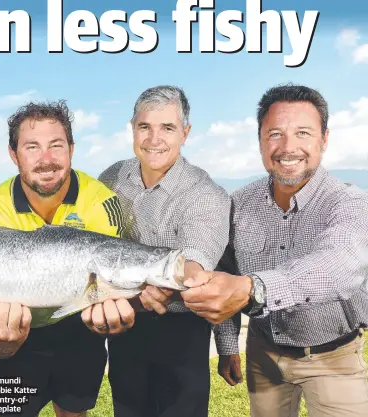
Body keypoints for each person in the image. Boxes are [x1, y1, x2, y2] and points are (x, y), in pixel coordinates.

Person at [181, 83, 368, 417]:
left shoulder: (350, 202)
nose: (288, 147)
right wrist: (227, 347)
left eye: (303, 133)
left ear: (324, 140)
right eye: (275, 134)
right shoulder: (239, 202)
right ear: (260, 142)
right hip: (263, 353)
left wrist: (256, 288)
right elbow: (225, 273)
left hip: (334, 357)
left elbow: (338, 266)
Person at [0, 100, 127, 417]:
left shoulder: (102, 202)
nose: (47, 159)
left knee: (73, 411)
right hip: (17, 333)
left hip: (80, 330)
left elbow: (112, 276)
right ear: (14, 155)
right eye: (32, 147)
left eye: (57, 145)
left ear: (72, 149)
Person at [94, 85, 240, 417]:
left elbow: (198, 262)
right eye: (145, 127)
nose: (154, 139)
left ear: (185, 133)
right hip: (126, 325)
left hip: (183, 331)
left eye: (168, 128)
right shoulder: (111, 179)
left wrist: (227, 346)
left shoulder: (205, 194)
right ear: (132, 128)